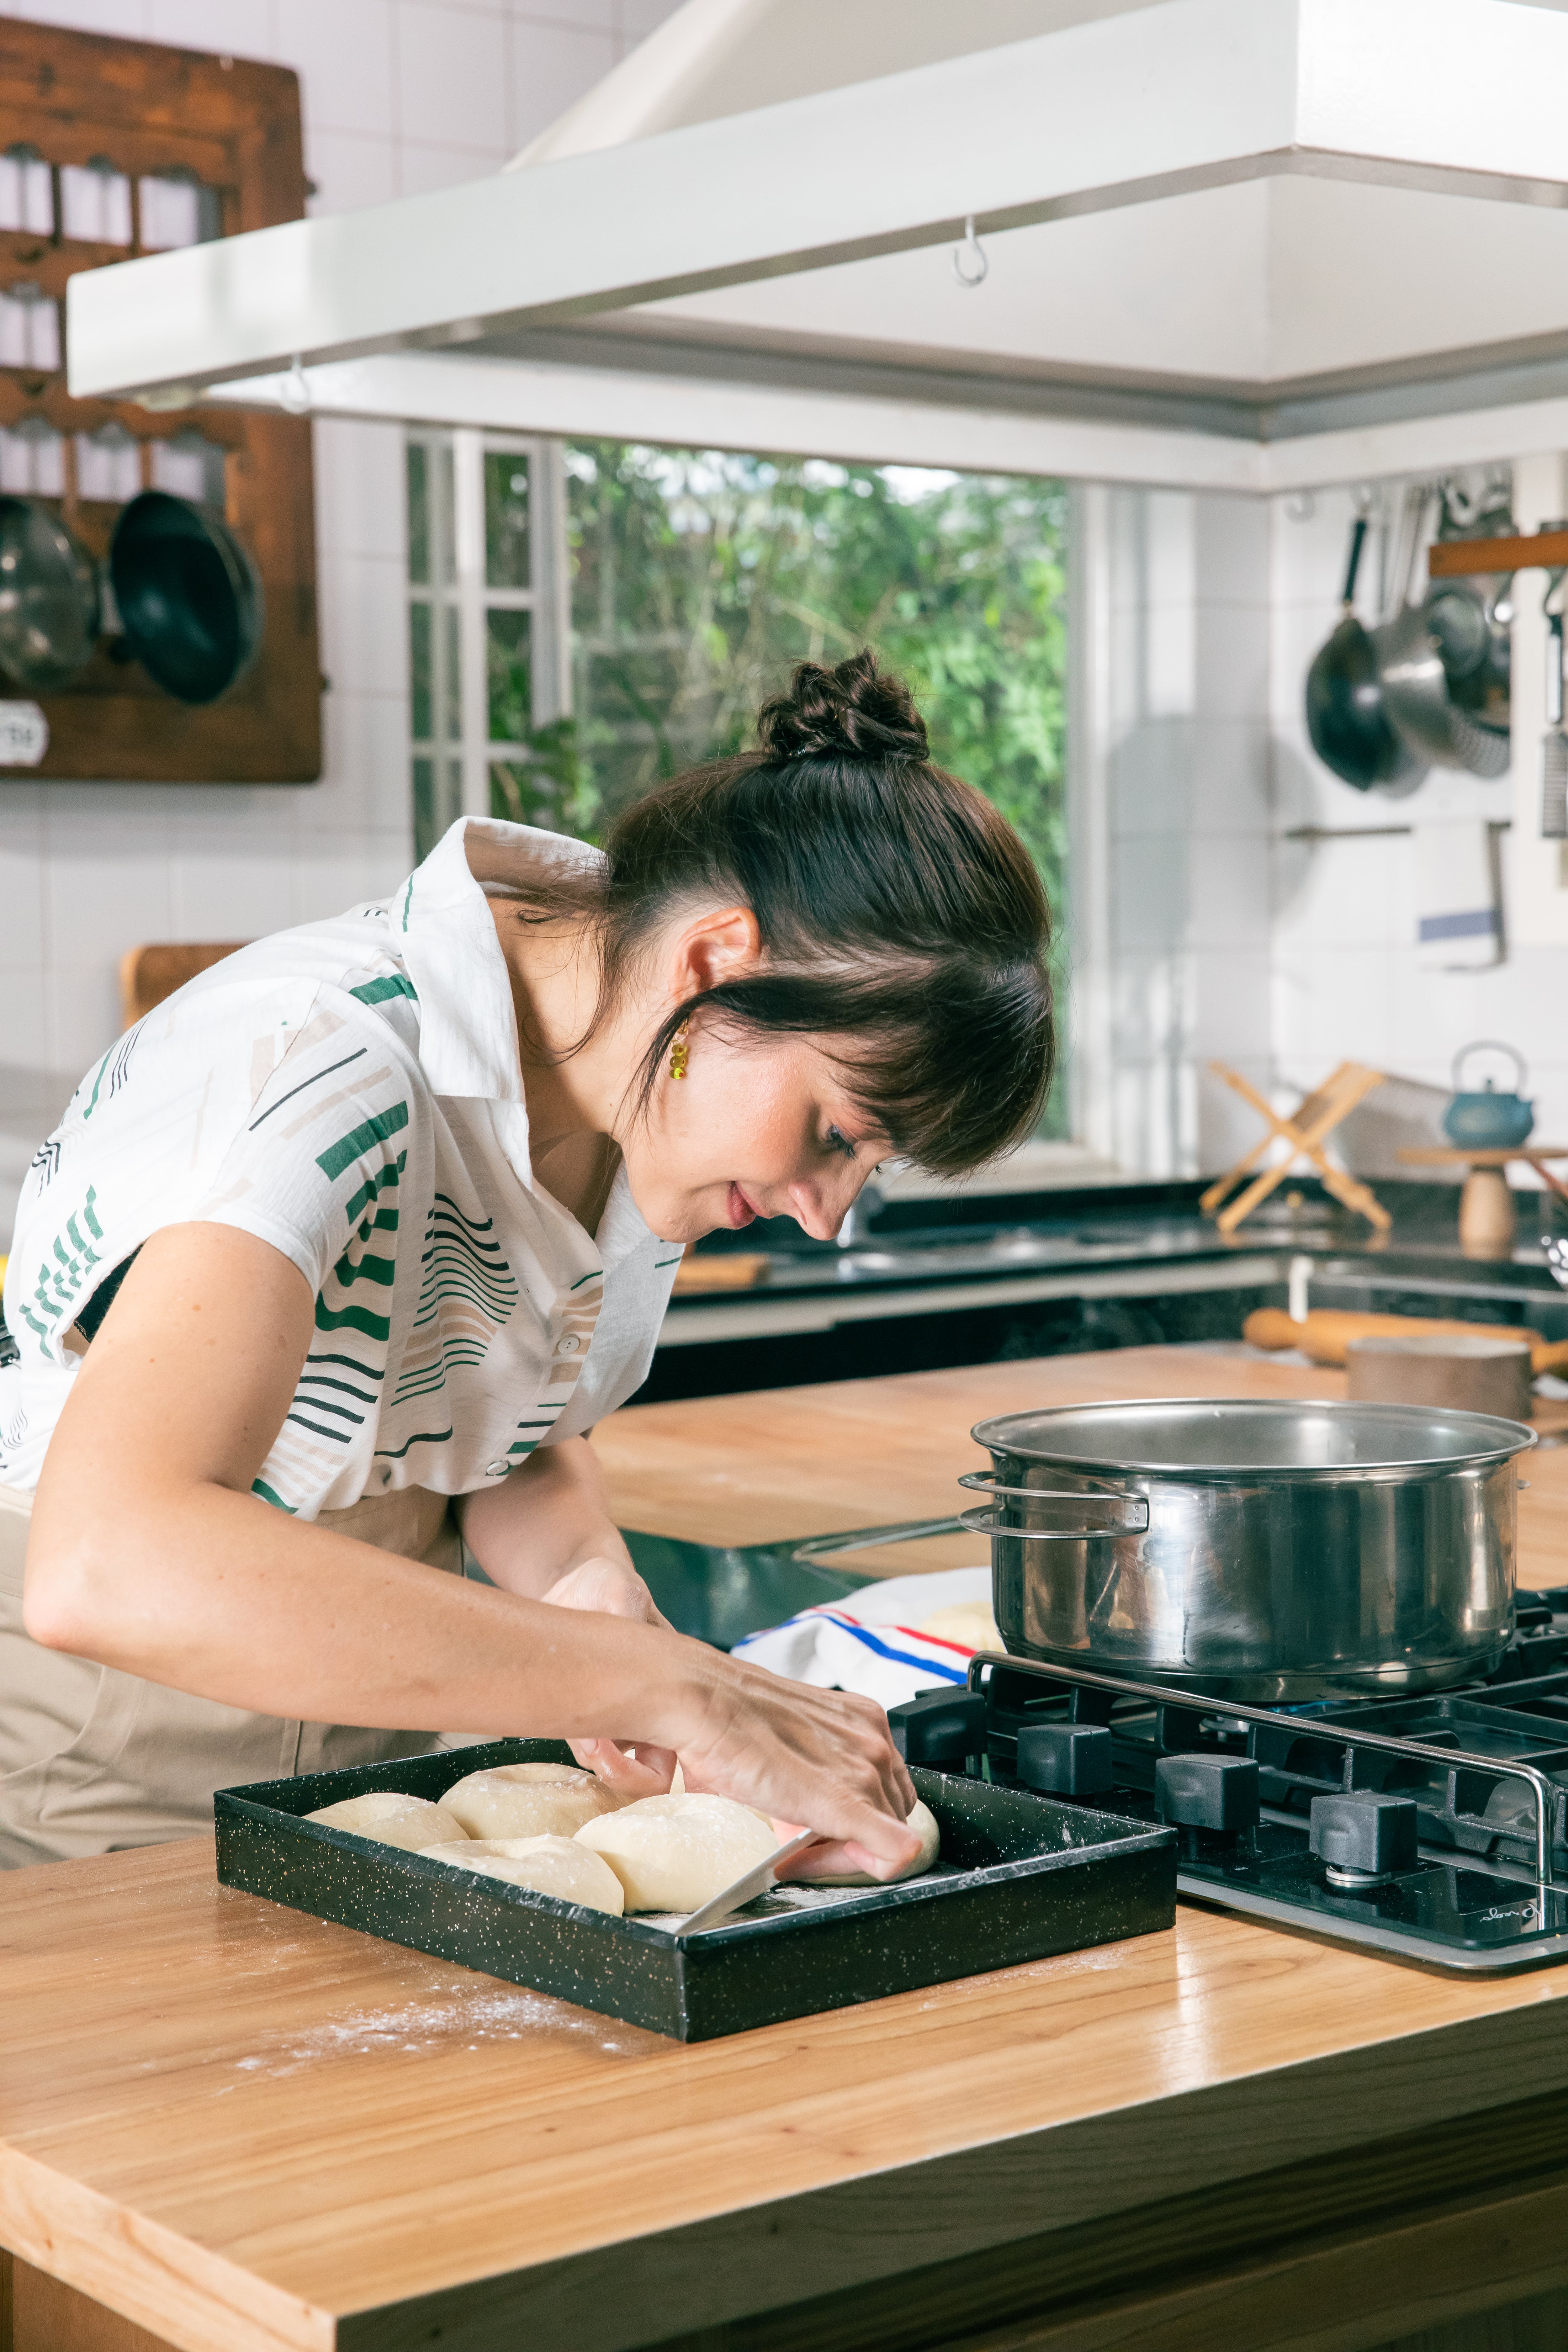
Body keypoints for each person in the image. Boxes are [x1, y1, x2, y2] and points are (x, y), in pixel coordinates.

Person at [0, 650, 1054, 1872]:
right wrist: (666, 1686)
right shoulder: (310, 1071)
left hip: (391, 1702)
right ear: (715, 963)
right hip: (112, 1734)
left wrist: (585, 1592)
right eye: (832, 1133)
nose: (824, 1214)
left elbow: (490, 1416)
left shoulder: (631, 1091)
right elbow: (110, 1560)